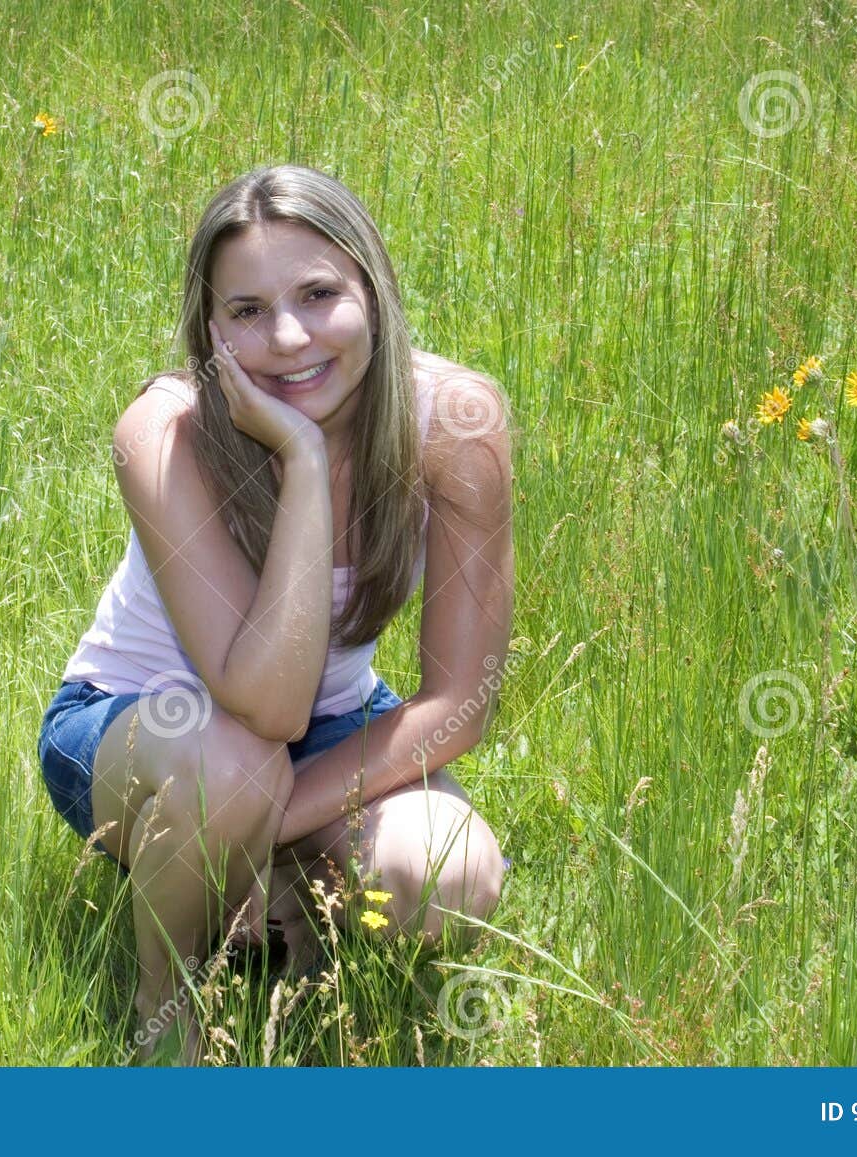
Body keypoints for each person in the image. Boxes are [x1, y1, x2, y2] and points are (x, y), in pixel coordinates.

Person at [37, 164, 514, 1063]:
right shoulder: (166, 430)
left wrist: (269, 827)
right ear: (209, 329)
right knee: (234, 760)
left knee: (447, 870)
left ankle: (295, 946)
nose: (289, 337)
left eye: (319, 293)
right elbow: (266, 706)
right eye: (249, 310)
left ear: (374, 292)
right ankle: (165, 1017)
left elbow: (461, 702)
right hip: (147, 731)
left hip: (321, 733)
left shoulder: (454, 421)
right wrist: (298, 457)